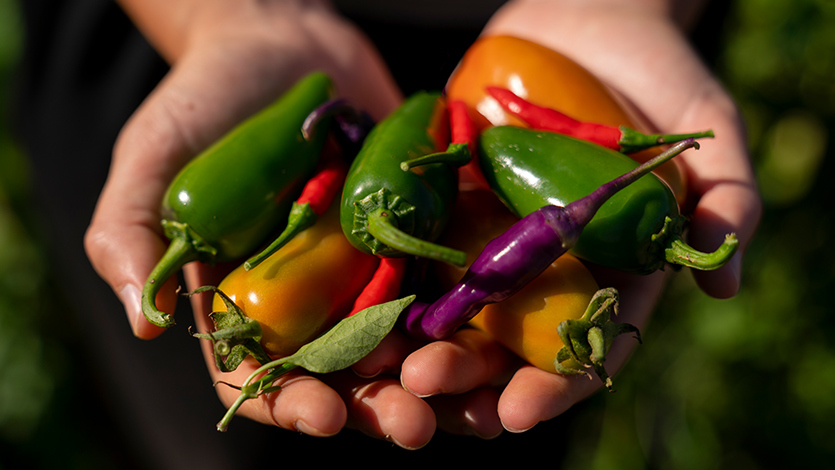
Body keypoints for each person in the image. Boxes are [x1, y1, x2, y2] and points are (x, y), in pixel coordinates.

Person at [17, 0, 760, 464]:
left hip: (536, 59)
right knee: (225, 442)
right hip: (174, 28)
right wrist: (227, 17)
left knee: (505, 426)